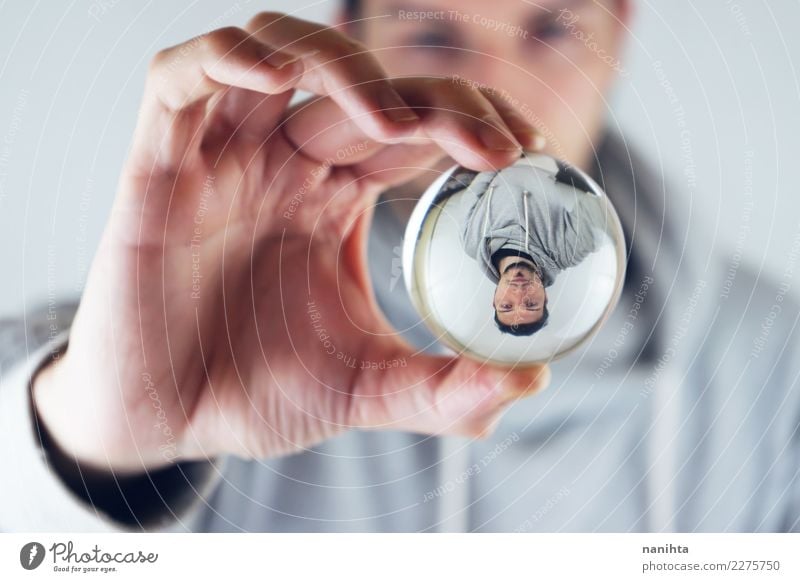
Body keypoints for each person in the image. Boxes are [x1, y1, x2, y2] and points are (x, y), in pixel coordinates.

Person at [2, 0, 799, 533]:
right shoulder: (204, 322)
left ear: (617, 32)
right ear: (353, 36)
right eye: (434, 35)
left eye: (552, 30)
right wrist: (93, 456)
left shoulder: (775, 369)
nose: (500, 86)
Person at [448, 157, 607, 335]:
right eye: (531, 304)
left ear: (494, 300)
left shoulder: (471, 242)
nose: (519, 293)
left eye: (507, 306)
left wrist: (496, 159)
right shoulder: (566, 252)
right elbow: (602, 206)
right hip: (549, 153)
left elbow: (474, 191)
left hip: (495, 155)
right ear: (545, 297)